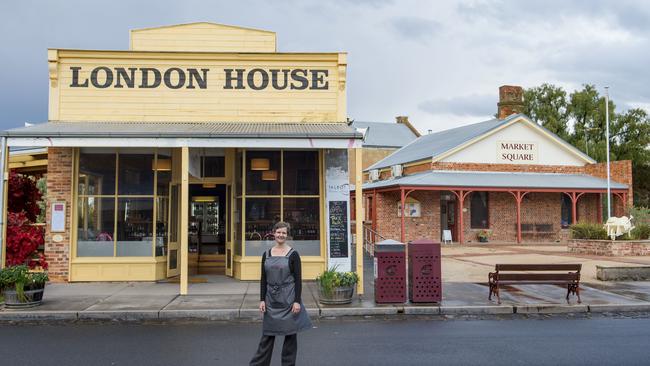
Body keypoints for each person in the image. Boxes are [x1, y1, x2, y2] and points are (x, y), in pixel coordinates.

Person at [250, 221, 312, 366]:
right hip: (271, 300)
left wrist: (297, 301)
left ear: (287, 235)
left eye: (284, 233)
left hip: (289, 300)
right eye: (278, 232)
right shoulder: (266, 254)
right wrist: (262, 299)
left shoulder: (293, 254)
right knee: (267, 336)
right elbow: (263, 278)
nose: (281, 235)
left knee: (290, 336)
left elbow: (298, 280)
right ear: (273, 233)